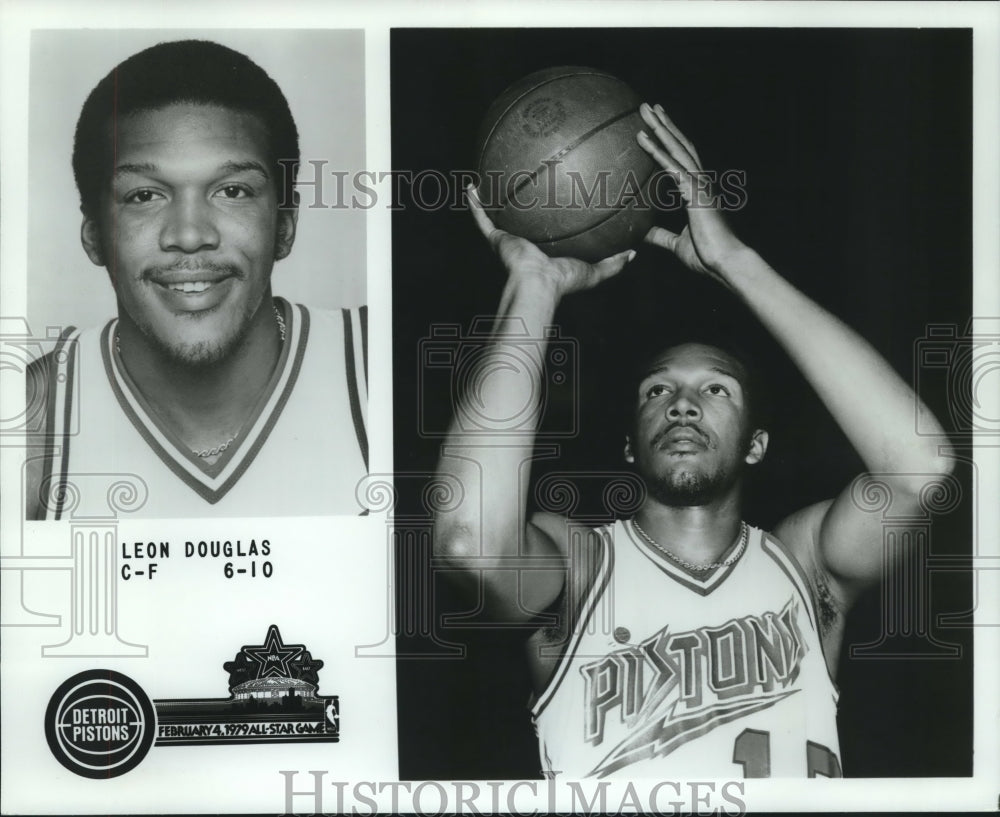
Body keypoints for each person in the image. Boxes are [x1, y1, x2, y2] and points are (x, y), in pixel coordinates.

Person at [433, 102, 954, 778]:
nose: (682, 402)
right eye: (656, 390)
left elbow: (922, 468)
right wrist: (534, 284)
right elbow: (468, 540)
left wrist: (737, 262)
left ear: (756, 445)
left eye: (716, 390)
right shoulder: (581, 569)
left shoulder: (806, 568)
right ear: (629, 446)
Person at [25, 40, 368, 520]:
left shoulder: (375, 367)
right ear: (94, 236)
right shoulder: (29, 425)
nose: (190, 235)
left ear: (285, 226)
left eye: (232, 191)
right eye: (144, 195)